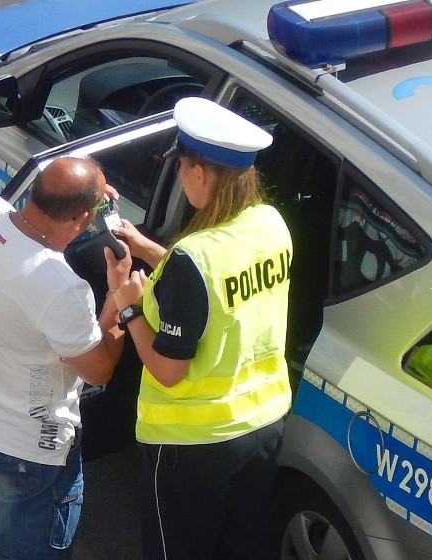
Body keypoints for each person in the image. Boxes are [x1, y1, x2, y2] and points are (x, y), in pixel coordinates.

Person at [106, 97, 293, 560]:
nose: (180, 175)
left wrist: (129, 308)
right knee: (242, 548)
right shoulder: (271, 224)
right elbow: (221, 281)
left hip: (192, 448)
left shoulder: (193, 259)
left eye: (182, 166)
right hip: (260, 428)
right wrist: (148, 248)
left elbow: (169, 370)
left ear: (201, 174)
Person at [0, 156, 131, 560]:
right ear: (82, 221)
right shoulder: (61, 287)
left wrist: (91, 197)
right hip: (29, 449)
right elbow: (98, 369)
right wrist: (119, 301)